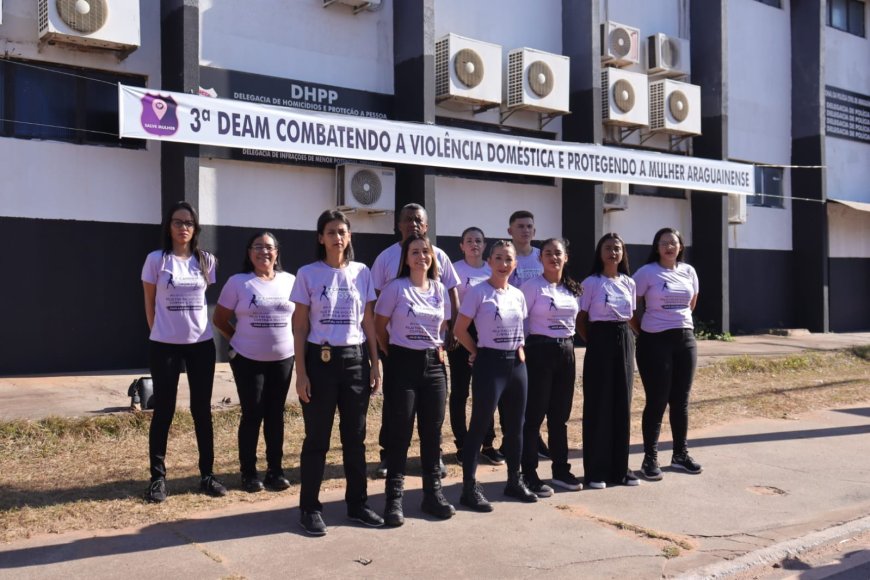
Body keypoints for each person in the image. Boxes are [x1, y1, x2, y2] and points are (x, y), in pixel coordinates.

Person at [291, 210, 383, 536]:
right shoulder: (307, 274)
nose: (337, 237)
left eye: (342, 231)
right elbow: (300, 327)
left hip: (355, 360)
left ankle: (358, 504)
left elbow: (368, 321)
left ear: (349, 236)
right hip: (321, 361)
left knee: (355, 438)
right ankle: (309, 508)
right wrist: (301, 373)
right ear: (321, 238)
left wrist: (375, 363)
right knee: (317, 438)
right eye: (331, 232)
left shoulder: (362, 272)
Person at [141, 201, 227, 503]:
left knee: (201, 410)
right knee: (164, 410)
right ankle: (157, 479)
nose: (183, 228)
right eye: (178, 222)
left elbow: (204, 300)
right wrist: (158, 331)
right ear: (169, 226)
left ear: (195, 228)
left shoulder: (206, 260)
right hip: (164, 344)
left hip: (200, 345)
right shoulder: (156, 260)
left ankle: (207, 475)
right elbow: (149, 302)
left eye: (189, 223)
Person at [370, 203, 461, 478]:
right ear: (398, 224)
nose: (413, 224)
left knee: (432, 410)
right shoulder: (386, 257)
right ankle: (389, 456)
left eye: (418, 220)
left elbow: (452, 292)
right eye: (408, 219)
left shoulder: (439, 255)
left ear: (427, 226)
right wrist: (386, 346)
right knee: (396, 407)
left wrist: (452, 331)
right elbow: (376, 301)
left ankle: (433, 457)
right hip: (397, 347)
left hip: (431, 349)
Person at [375, 234, 455, 526]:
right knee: (400, 432)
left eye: (425, 251)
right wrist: (394, 354)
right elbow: (379, 327)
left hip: (434, 366)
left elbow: (443, 326)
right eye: (415, 252)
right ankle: (394, 500)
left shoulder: (440, 289)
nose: (421, 256)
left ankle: (432, 495)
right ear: (406, 259)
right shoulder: (395, 288)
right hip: (402, 364)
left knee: (432, 432)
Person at [454, 240, 537, 511]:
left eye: (508, 259)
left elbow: (522, 326)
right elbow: (459, 330)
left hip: (516, 366)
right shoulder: (478, 292)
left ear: (515, 264)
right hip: (489, 364)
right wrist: (476, 351)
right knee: (479, 424)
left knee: (516, 426)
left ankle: (514, 480)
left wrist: (520, 348)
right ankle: (469, 487)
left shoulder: (518, 294)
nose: (503, 264)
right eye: (498, 258)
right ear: (489, 262)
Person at [213, 232, 295, 493]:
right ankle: (248, 474)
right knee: (252, 414)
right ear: (249, 253)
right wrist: (239, 340)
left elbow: (299, 319)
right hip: (248, 360)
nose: (264, 252)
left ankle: (275, 471)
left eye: (269, 247)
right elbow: (219, 319)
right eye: (257, 247)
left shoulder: (290, 281)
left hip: (283, 359)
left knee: (276, 415)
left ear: (277, 252)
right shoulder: (238, 283)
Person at [632, 227, 702, 481]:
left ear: (680, 246)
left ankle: (680, 454)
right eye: (664, 243)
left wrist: (676, 321)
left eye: (673, 242)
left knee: (680, 400)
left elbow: (691, 303)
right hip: (654, 341)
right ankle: (650, 458)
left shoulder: (689, 271)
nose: (669, 247)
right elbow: (630, 304)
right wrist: (643, 330)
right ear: (657, 247)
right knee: (657, 400)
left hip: (685, 340)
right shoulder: (646, 272)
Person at [520, 238, 584, 496]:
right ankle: (529, 474)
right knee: (534, 416)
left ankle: (560, 470)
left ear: (566, 257)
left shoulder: (572, 288)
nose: (553, 257)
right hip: (539, 351)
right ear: (540, 258)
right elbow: (521, 321)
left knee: (560, 417)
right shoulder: (531, 287)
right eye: (548, 253)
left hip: (566, 352)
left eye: (558, 253)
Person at [577, 233, 638, 490]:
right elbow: (581, 320)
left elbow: (631, 316)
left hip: (624, 339)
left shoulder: (629, 283)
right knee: (599, 404)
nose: (613, 253)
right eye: (608, 248)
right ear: (600, 253)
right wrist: (595, 341)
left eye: (617, 248)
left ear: (623, 253)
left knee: (622, 403)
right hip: (599, 340)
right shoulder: (591, 283)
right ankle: (596, 471)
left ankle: (620, 469)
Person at [448, 227, 505, 466]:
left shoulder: (491, 269)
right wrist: (452, 331)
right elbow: (449, 303)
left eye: (478, 240)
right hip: (462, 332)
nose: (474, 244)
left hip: (488, 333)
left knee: (486, 391)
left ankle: (487, 443)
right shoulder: (455, 269)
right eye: (469, 241)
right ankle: (462, 444)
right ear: (461, 246)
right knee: (460, 391)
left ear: (485, 246)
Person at [507, 210, 550, 461]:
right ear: (510, 231)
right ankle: (511, 440)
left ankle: (534, 438)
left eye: (529, 226)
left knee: (538, 391)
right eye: (520, 226)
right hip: (514, 334)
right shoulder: (507, 257)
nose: (525, 230)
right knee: (514, 394)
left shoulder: (542, 256)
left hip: (541, 333)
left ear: (534, 231)